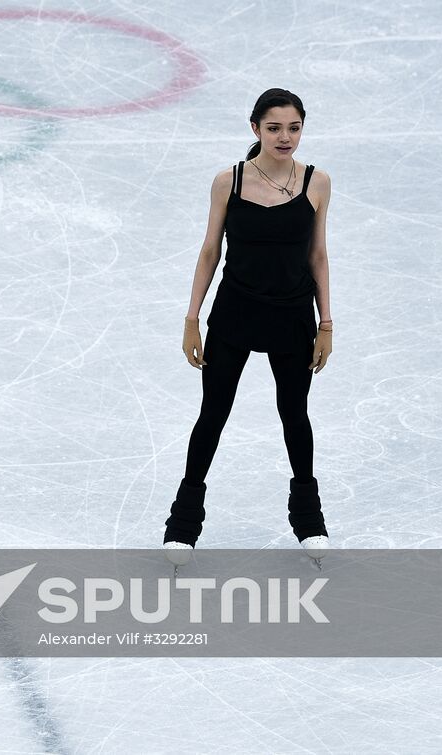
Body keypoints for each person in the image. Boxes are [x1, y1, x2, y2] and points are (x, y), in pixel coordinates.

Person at [162, 88, 334, 568]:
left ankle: (309, 519)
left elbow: (318, 255)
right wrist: (192, 320)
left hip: (292, 314)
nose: (285, 137)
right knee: (212, 414)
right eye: (275, 127)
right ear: (255, 128)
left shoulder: (317, 182)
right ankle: (183, 524)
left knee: (294, 414)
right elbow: (209, 252)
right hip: (235, 313)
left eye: (294, 127)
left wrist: (326, 324)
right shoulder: (229, 181)